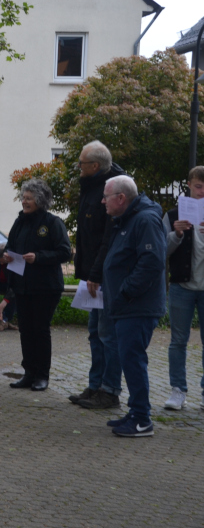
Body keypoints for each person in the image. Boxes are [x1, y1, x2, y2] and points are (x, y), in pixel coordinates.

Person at [100, 176, 165, 437]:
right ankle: (136, 410)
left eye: (106, 196)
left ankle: (142, 420)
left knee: (133, 360)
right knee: (129, 359)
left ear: (121, 198)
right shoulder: (129, 219)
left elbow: (152, 262)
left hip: (137, 306)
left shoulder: (145, 220)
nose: (102, 201)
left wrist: (126, 292)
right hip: (127, 306)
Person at [0, 179, 71, 391]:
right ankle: (28, 373)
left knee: (40, 330)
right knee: (26, 331)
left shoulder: (52, 223)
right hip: (22, 286)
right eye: (23, 197)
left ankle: (42, 375)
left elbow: (65, 252)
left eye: (29, 198)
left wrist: (38, 257)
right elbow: (11, 245)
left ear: (40, 200)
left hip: (45, 287)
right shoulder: (19, 222)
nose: (24, 201)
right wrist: (7, 255)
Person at [69, 140, 125, 409]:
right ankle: (95, 386)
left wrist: (95, 273)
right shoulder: (92, 188)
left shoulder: (112, 190)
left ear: (95, 166)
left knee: (107, 334)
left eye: (81, 163)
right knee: (95, 332)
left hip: (104, 277)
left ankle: (110, 390)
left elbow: (108, 238)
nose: (78, 167)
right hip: (92, 275)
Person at [162, 167, 204, 410]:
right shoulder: (173, 214)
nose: (202, 191)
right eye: (198, 186)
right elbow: (161, 250)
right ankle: (178, 389)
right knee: (178, 341)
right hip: (181, 286)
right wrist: (176, 234)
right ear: (189, 185)